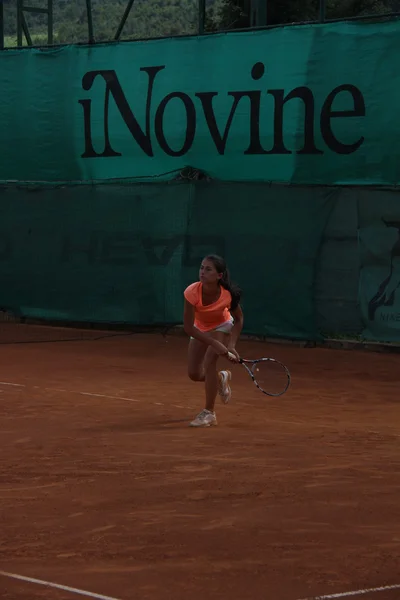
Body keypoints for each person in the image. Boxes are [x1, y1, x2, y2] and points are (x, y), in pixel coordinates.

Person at [183, 255, 244, 427]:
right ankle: (220, 379)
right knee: (194, 374)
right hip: (199, 328)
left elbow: (239, 319)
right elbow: (188, 328)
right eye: (201, 267)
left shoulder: (228, 295)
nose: (202, 272)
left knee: (209, 362)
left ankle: (209, 413)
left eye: (208, 269)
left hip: (221, 326)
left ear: (219, 275)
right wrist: (213, 343)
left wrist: (231, 345)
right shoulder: (191, 292)